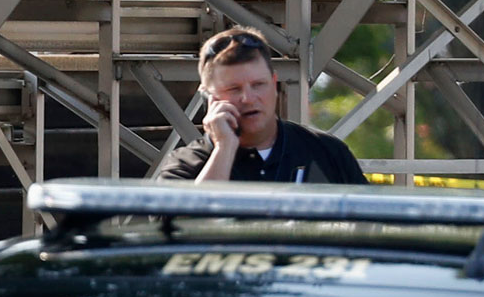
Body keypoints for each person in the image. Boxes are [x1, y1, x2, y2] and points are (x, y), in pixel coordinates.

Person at [151, 28, 369, 184]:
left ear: (274, 84)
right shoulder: (185, 166)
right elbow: (184, 233)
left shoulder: (327, 153)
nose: (248, 97)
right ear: (210, 98)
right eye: (234, 89)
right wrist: (224, 149)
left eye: (258, 85)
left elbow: (373, 232)